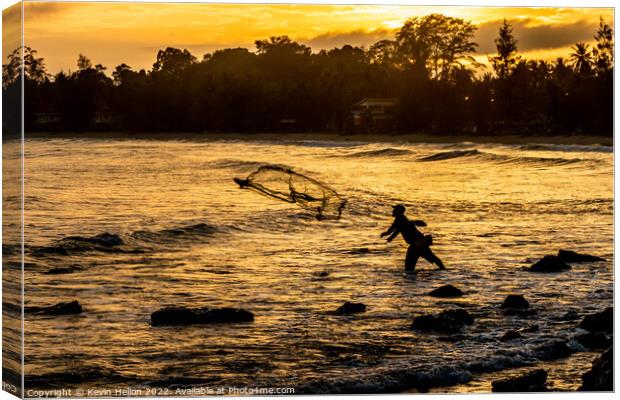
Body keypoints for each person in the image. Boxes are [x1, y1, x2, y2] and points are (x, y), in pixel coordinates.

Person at [381, 204, 445, 272]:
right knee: (432, 259)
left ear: (399, 211)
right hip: (418, 244)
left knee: (409, 269)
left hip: (418, 244)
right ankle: (443, 270)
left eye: (395, 209)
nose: (393, 211)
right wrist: (387, 235)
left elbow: (397, 230)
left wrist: (389, 237)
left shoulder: (401, 219)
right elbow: (393, 230)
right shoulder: (399, 219)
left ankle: (443, 271)